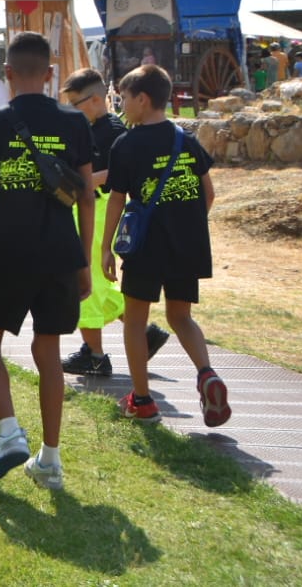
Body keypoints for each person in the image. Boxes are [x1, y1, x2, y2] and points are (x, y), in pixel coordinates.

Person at [0, 31, 94, 490]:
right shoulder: (76, 122)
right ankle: (50, 459)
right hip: (60, 252)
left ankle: (9, 432)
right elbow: (87, 197)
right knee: (48, 352)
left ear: (9, 74)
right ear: (52, 73)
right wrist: (85, 261)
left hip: (8, 250)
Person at [102, 64, 230, 428]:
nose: (122, 105)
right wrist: (186, 225)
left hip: (146, 247)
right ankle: (207, 373)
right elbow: (209, 193)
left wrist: (106, 247)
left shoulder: (126, 144)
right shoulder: (185, 140)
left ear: (142, 100)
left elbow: (116, 199)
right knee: (181, 317)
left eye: (124, 99)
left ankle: (141, 400)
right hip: (187, 245)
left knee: (135, 321)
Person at [59, 68, 170, 380]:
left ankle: (94, 355)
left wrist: (78, 183)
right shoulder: (96, 126)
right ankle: (145, 332)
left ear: (95, 100)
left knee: (87, 281)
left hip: (99, 205)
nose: (72, 110)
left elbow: (115, 172)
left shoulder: (112, 130)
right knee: (97, 281)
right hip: (93, 205)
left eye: (75, 103)